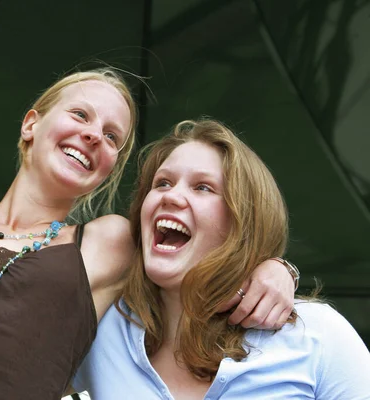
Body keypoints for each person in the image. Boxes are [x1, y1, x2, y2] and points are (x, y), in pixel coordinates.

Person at [0, 69, 297, 399]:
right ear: (31, 123)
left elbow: (199, 239)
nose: (95, 135)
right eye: (80, 115)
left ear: (110, 168)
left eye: (113, 136)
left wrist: (276, 268)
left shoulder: (107, 243)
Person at [72, 119, 370, 399]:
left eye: (203, 187)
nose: (171, 196)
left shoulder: (316, 335)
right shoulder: (102, 326)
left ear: (244, 222)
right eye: (162, 183)